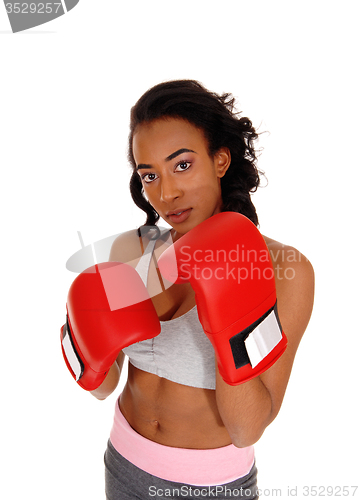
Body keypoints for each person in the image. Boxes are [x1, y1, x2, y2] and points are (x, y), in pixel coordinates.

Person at [65, 80, 315, 499]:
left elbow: (246, 428)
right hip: (122, 464)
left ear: (220, 160)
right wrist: (88, 333)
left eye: (182, 165)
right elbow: (104, 386)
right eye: (149, 175)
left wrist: (232, 315)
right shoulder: (134, 249)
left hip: (212, 487)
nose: (167, 193)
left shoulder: (283, 270)